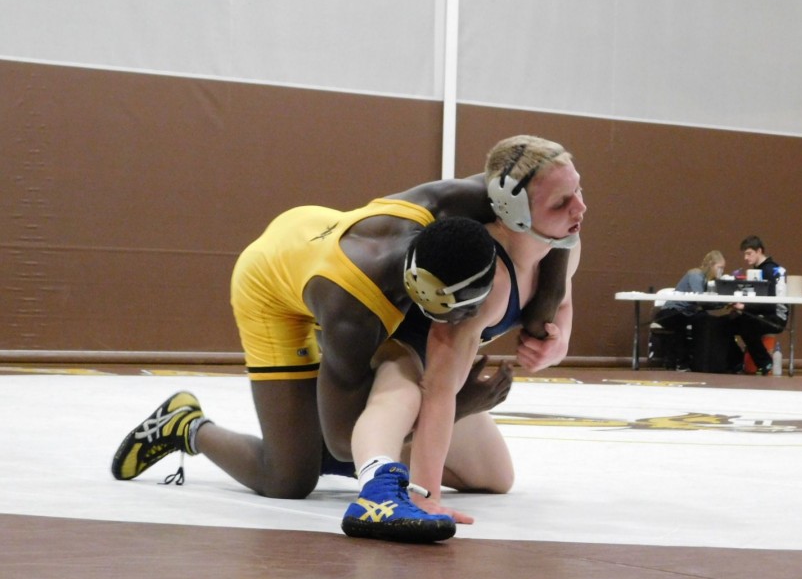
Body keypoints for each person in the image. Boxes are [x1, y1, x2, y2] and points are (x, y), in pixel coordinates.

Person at [111, 136, 571, 507]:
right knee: (288, 477)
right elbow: (341, 440)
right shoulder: (355, 317)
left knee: (470, 465)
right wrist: (462, 402)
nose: (471, 324)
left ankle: (355, 448)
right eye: (462, 313)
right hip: (271, 282)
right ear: (430, 303)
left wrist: (546, 316)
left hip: (326, 230)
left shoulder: (473, 199)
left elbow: (557, 221)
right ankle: (186, 426)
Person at [341, 135, 584, 543]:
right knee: (403, 393)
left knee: (496, 477)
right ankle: (378, 488)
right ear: (513, 210)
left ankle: (351, 459)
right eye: (561, 202)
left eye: (578, 190)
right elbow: (438, 388)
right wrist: (426, 497)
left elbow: (562, 300)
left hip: (442, 371)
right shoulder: (491, 274)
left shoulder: (562, 243)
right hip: (389, 353)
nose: (580, 207)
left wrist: (558, 343)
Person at [652, 250, 726, 371]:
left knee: (706, 321)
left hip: (688, 312)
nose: (721, 272)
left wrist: (721, 304)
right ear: (711, 264)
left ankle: (702, 361)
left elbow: (703, 303)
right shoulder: (695, 274)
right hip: (672, 311)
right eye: (719, 268)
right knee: (680, 325)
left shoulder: (707, 280)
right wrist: (721, 304)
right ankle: (682, 363)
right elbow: (700, 298)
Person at [730, 235, 788, 375]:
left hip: (775, 317)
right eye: (744, 254)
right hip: (760, 313)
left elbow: (770, 305)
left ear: (759, 251)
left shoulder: (770, 271)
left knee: (746, 324)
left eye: (749, 253)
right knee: (725, 323)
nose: (746, 258)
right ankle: (736, 361)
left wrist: (744, 307)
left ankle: (765, 362)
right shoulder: (758, 271)